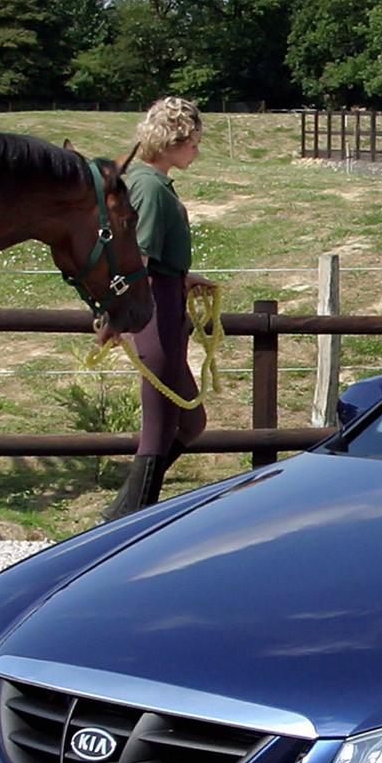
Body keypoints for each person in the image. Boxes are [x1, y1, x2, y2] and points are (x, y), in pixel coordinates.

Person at [108, 96, 215, 515]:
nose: (196, 151)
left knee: (188, 421)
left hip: (167, 298)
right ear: (173, 140)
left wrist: (182, 276)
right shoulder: (149, 186)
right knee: (160, 424)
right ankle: (123, 521)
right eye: (193, 143)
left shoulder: (149, 181)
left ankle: (120, 514)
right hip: (155, 308)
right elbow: (142, 257)